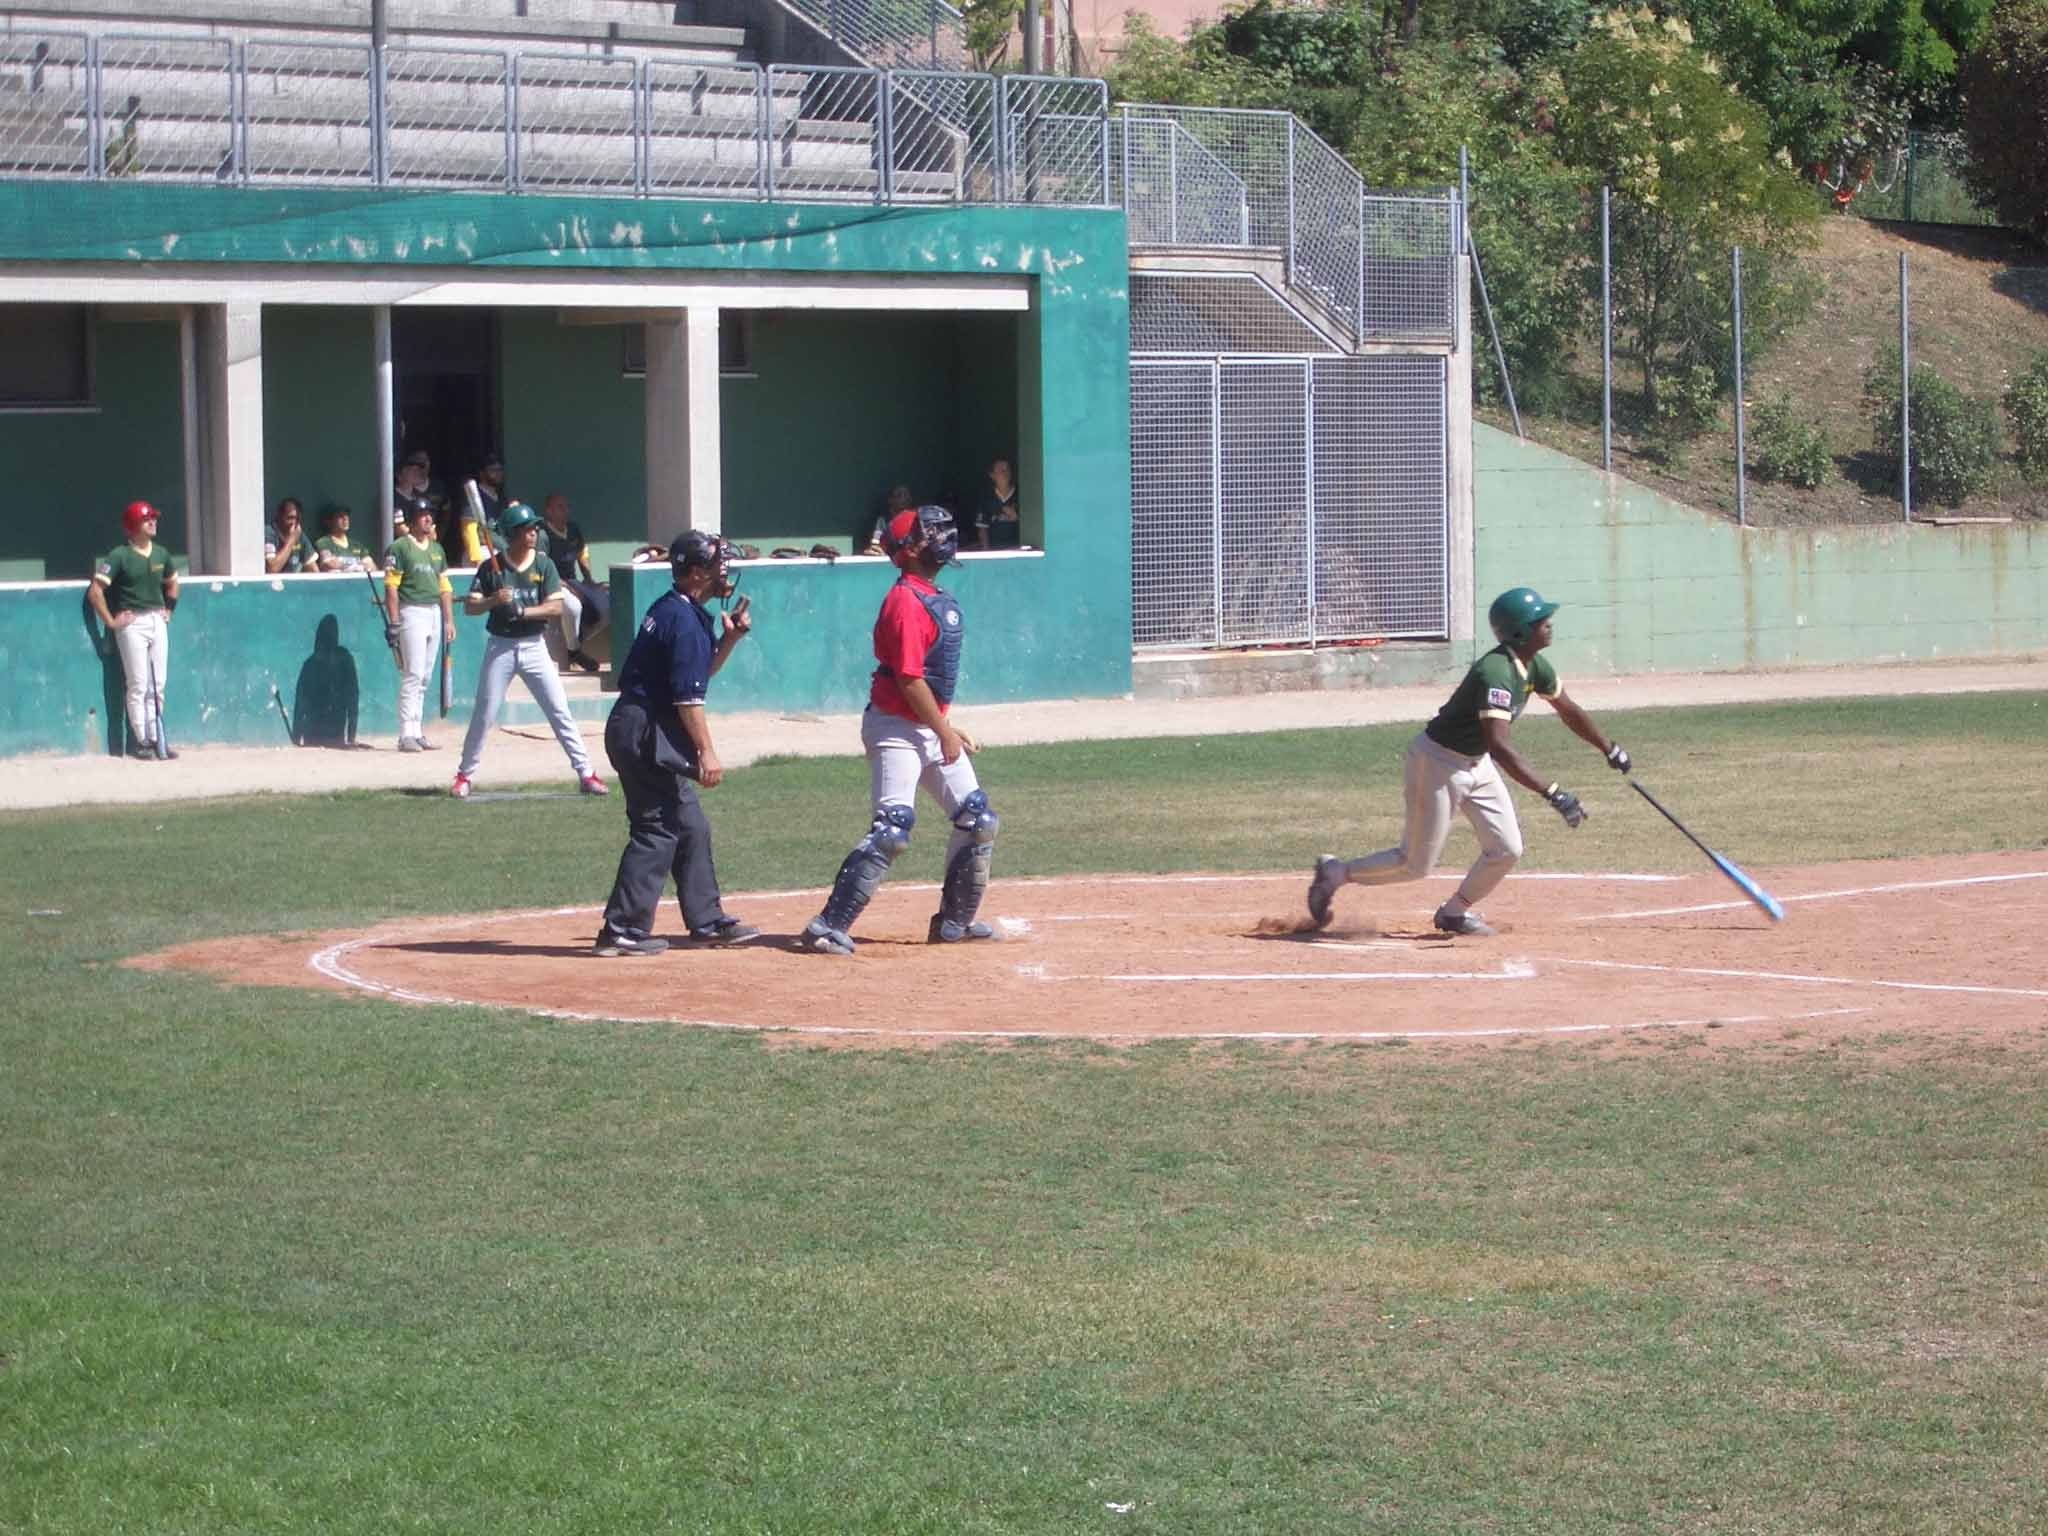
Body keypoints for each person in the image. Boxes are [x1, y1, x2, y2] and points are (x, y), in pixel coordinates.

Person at [1305, 586, 1631, 938]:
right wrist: (1553, 793)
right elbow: (1501, 746)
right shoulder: (1497, 673)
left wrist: (1608, 748)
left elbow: (1568, 709)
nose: (1549, 624)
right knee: (1414, 864)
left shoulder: (1533, 665)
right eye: (1541, 620)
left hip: (1476, 763)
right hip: (1438, 763)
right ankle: (1335, 873)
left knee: (1506, 849)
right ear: (1521, 630)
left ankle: (1454, 913)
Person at [801, 504, 999, 956]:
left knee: (978, 819)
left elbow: (922, 682)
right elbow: (908, 679)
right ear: (907, 552)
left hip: (924, 725)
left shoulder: (930, 595)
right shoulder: (906, 601)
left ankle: (954, 923)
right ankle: (826, 927)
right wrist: (943, 731)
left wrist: (944, 727)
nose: (940, 539)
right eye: (928, 535)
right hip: (895, 727)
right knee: (892, 828)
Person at [593, 530, 760, 956]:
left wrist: (730, 640)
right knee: (658, 828)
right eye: (718, 563)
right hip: (642, 730)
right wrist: (706, 750)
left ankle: (705, 920)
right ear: (698, 572)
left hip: (646, 728)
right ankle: (622, 929)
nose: (726, 570)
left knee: (690, 824)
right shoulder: (682, 619)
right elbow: (689, 698)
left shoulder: (681, 611)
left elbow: (697, 673)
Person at [450, 501, 608, 799]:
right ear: (512, 533)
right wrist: (494, 600)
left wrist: (523, 611)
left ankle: (586, 773)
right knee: (485, 712)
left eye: (534, 528)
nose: (533, 532)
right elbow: (471, 606)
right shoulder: (490, 567)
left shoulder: (543, 564)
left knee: (559, 709)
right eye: (527, 529)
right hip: (501, 646)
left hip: (535, 646)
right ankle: (464, 776)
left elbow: (556, 606)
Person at [86, 499, 180, 760]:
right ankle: (141, 741)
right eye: (147, 519)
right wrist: (111, 622)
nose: (153, 522)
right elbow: (95, 592)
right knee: (138, 684)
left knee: (157, 685)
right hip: (132, 624)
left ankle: (156, 738)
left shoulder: (161, 553)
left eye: (153, 518)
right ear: (133, 526)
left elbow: (173, 583)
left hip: (156, 620)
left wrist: (168, 610)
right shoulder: (119, 556)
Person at [384, 496, 455, 753]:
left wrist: (448, 620)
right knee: (412, 674)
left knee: (425, 675)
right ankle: (405, 734)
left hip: (434, 611)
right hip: (410, 611)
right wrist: (394, 622)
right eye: (423, 515)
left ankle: (417, 730)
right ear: (413, 519)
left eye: (430, 515)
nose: (428, 519)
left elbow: (445, 587)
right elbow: (391, 588)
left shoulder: (437, 549)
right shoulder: (400, 548)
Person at [540, 492, 608, 674]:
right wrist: (560, 583)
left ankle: (575, 642)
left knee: (605, 603)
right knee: (574, 606)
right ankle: (575, 651)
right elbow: (542, 566)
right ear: (549, 511)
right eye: (559, 507)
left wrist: (589, 579)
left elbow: (581, 554)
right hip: (552, 583)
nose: (565, 511)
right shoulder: (542, 534)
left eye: (566, 507)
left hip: (573, 581)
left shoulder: (573, 528)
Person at [314, 504, 379, 572]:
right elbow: (328, 564)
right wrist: (359, 564)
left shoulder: (357, 545)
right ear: (329, 521)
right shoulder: (323, 542)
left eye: (346, 516)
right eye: (340, 516)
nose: (345, 519)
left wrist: (343, 563)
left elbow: (372, 566)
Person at [974, 457, 1020, 551]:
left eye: (1007, 469)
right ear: (992, 475)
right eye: (1001, 470)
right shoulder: (986, 498)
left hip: (1018, 548)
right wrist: (986, 551)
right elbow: (982, 529)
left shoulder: (1021, 494)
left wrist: (1016, 517)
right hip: (995, 549)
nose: (1005, 472)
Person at [264, 497, 318, 574]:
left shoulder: (299, 535)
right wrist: (292, 540)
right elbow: (272, 569)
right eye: (290, 518)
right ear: (279, 516)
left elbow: (313, 569)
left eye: (297, 519)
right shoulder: (269, 533)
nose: (293, 522)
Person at [861, 484, 915, 555]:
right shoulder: (882, 521)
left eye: (905, 496)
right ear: (890, 499)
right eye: (899, 495)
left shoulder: (915, 519)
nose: (903, 499)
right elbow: (875, 543)